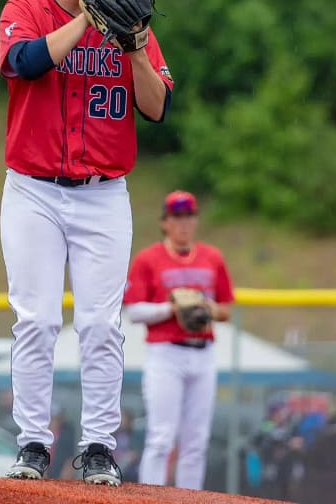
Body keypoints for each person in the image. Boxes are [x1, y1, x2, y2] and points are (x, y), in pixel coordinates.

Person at [0, 0, 172, 487]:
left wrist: (137, 46)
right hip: (33, 191)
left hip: (103, 195)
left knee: (100, 324)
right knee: (38, 319)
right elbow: (22, 63)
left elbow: (157, 107)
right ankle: (32, 444)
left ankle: (98, 446)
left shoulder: (130, 29)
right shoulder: (24, 10)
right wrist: (86, 23)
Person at [122, 190, 234, 489]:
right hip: (165, 353)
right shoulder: (148, 259)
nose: (184, 224)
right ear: (165, 223)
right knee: (161, 436)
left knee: (196, 441)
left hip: (203, 350)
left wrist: (210, 308)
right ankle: (151, 497)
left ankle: (189, 497)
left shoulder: (212, 257)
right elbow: (133, 311)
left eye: (189, 217)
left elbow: (226, 310)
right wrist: (171, 308)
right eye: (177, 217)